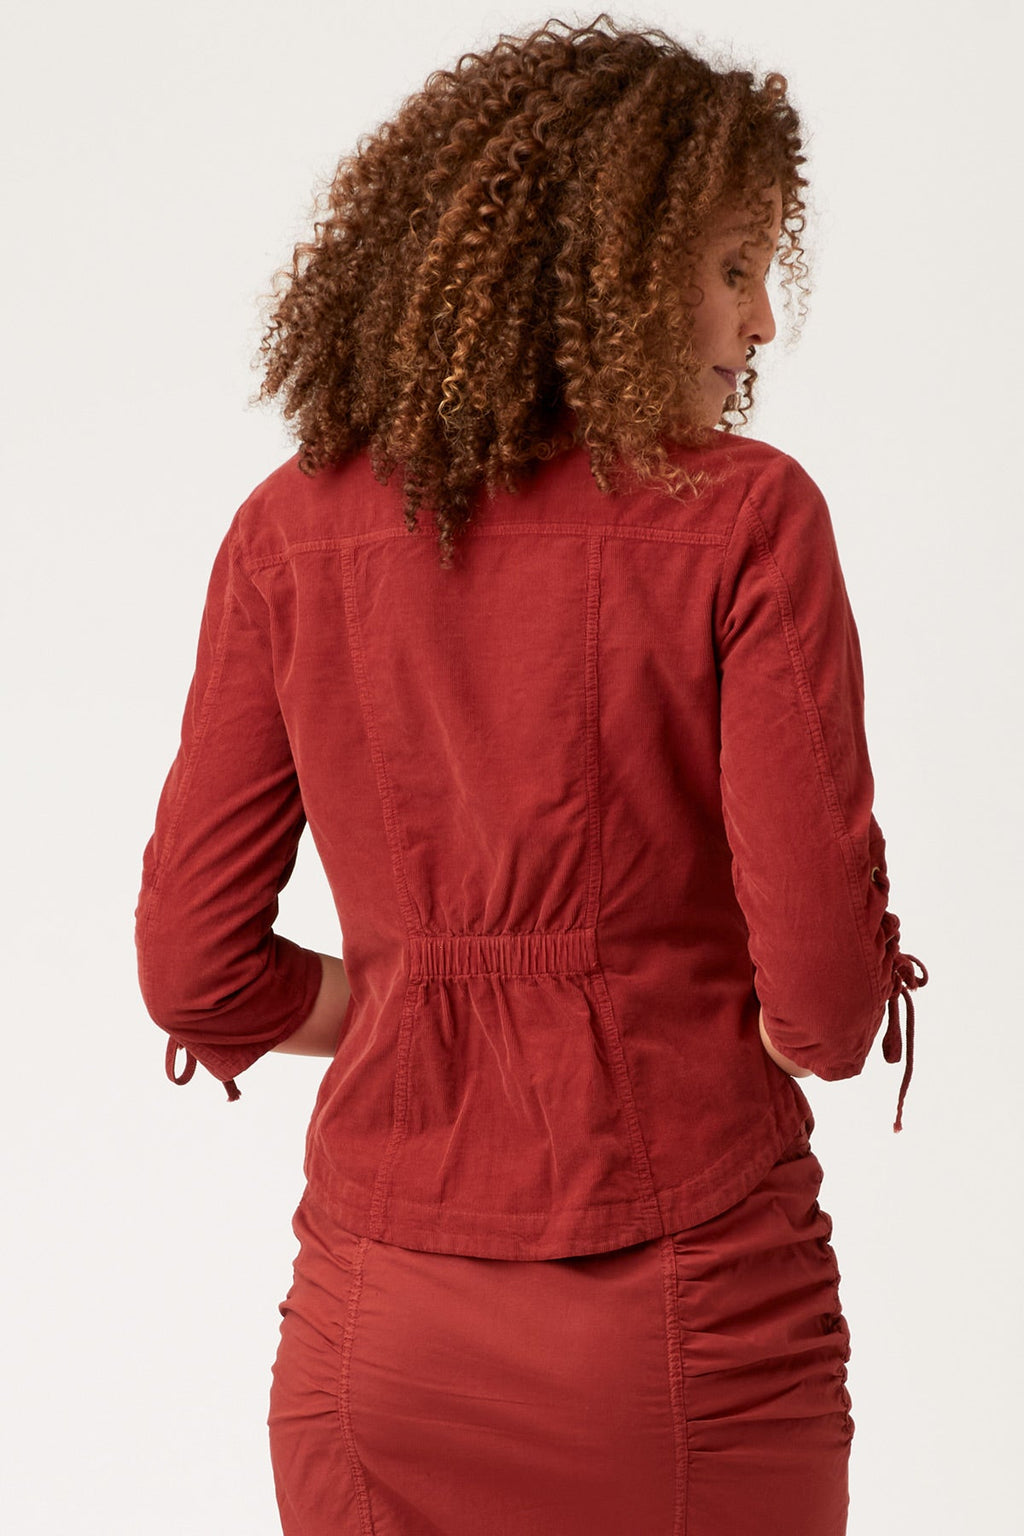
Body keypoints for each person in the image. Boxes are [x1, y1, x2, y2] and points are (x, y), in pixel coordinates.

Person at [134, 15, 928, 1535]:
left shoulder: (287, 531)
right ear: (615, 270)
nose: (763, 321)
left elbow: (192, 969)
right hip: (688, 1323)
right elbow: (827, 1008)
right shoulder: (746, 521)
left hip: (374, 1340)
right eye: (734, 266)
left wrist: (413, 997)